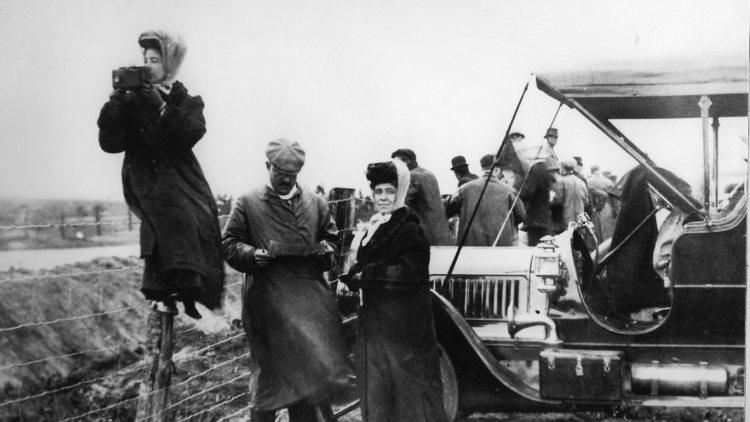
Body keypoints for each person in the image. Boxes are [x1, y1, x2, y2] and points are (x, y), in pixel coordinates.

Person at [222, 139, 351, 422]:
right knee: (268, 381)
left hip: (308, 307)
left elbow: (331, 239)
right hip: (267, 306)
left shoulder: (315, 203)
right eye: (279, 173)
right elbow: (229, 243)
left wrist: (327, 251)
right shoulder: (247, 203)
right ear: (267, 166)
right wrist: (252, 254)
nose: (285, 180)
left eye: (292, 176)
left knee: (306, 383)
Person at [97, 30, 223, 318]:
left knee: (201, 213)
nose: (148, 66)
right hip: (146, 174)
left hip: (181, 172)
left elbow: (191, 132)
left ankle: (189, 289)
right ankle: (161, 289)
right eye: (145, 60)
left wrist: (161, 104)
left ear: (170, 65)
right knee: (170, 209)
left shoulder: (184, 98)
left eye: (155, 60)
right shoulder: (131, 101)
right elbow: (109, 144)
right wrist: (116, 103)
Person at [341, 159, 447, 422]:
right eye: (379, 192)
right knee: (378, 395)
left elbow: (409, 273)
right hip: (376, 326)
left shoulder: (410, 228)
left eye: (390, 191)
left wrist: (366, 275)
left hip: (404, 329)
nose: (384, 197)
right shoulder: (379, 225)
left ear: (400, 193)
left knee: (407, 397)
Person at [447, 154, 525, 246]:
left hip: (470, 246)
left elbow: (449, 210)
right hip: (500, 245)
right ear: (496, 169)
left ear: (482, 168)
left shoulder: (464, 189)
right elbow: (521, 215)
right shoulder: (509, 190)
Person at [391, 148, 452, 245]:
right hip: (441, 232)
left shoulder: (411, 176)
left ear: (407, 161)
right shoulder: (428, 173)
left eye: (397, 165)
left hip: (425, 234)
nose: (395, 168)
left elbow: (400, 204)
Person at [519, 158, 557, 246]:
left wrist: (519, 191)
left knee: (534, 246)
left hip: (534, 218)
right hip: (544, 217)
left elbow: (527, 193)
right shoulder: (545, 171)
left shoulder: (534, 171)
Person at [551, 158, 589, 233]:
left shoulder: (560, 181)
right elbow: (586, 202)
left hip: (565, 223)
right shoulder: (581, 182)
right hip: (580, 222)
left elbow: (557, 201)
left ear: (563, 168)